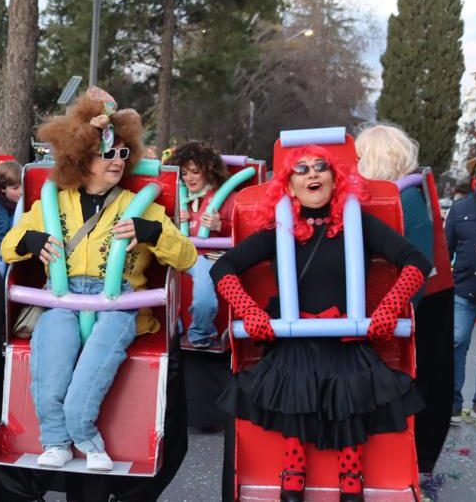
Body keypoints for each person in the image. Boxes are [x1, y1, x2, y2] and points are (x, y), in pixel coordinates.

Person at [211, 145, 429, 502]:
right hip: (296, 347)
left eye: (320, 167)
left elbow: (415, 260)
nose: (312, 173)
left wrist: (391, 305)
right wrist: (248, 310)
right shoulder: (279, 231)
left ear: (334, 178)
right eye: (301, 169)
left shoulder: (358, 224)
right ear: (290, 185)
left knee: (349, 410)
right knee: (296, 403)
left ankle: (350, 478)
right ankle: (292, 476)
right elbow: (223, 267)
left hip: (347, 345)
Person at [0, 86, 197, 473]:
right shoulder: (49, 204)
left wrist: (153, 233)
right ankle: (55, 440)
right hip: (61, 299)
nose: (118, 161)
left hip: (117, 305)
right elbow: (8, 248)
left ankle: (87, 438)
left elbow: (187, 257)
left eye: (124, 153)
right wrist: (32, 239)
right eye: (108, 153)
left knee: (84, 387)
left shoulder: (141, 207)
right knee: (50, 376)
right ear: (81, 158)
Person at [355, 124, 452, 482]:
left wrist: (392, 310)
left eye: (361, 157)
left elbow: (419, 266)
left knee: (424, 381)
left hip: (425, 303)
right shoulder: (404, 193)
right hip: (418, 300)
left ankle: (418, 467)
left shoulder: (408, 198)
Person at [167, 141, 237, 348]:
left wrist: (220, 225)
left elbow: (243, 232)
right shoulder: (179, 196)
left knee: (204, 272)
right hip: (184, 255)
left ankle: (201, 333)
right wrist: (175, 222)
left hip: (214, 255)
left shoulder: (227, 197)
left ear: (208, 171)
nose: (189, 178)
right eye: (184, 173)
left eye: (194, 172)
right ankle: (174, 329)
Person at [445, 148, 476, 424]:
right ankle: (453, 404)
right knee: (457, 341)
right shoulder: (459, 209)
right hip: (463, 288)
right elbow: (445, 250)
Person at [0, 159, 22, 277]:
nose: (21, 191)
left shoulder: (21, 203)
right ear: (2, 188)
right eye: (15, 188)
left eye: (23, 186)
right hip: (0, 256)